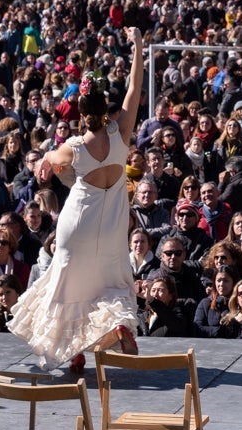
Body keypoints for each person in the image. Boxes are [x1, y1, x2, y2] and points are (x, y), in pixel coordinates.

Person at [9, 27, 144, 372]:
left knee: (69, 287)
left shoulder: (73, 147)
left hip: (78, 222)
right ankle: (115, 327)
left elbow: (48, 160)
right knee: (109, 283)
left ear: (81, 112)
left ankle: (75, 351)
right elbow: (134, 89)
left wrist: (44, 164)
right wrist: (139, 46)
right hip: (113, 223)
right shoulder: (121, 133)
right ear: (105, 108)